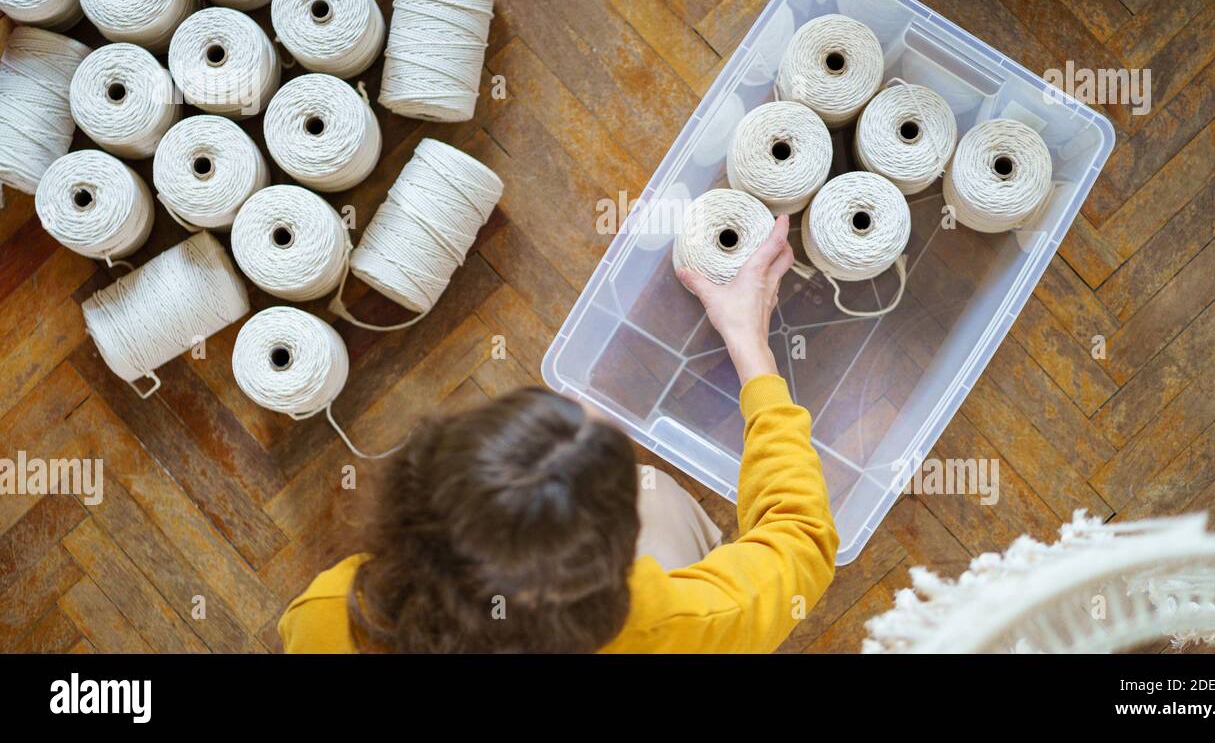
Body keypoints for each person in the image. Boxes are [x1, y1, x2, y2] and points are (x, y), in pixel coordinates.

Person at [278, 214, 838, 653]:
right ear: (613, 565)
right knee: (658, 495)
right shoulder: (670, 627)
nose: (581, 405)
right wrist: (752, 348)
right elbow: (801, 541)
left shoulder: (329, 618)